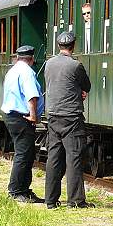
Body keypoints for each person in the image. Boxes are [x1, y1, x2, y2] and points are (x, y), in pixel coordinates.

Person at [43, 31, 93, 209]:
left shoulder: (49, 64)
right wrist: (80, 91)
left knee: (54, 158)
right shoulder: (75, 65)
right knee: (74, 157)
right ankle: (75, 200)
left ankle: (50, 200)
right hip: (71, 117)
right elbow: (86, 85)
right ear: (73, 46)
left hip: (53, 116)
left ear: (59, 46)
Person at [0, 45, 44, 203]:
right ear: (31, 59)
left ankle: (24, 190)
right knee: (24, 154)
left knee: (26, 153)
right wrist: (33, 116)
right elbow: (32, 95)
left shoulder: (13, 70)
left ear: (18, 58)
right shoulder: (27, 72)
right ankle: (16, 191)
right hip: (21, 117)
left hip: (12, 116)